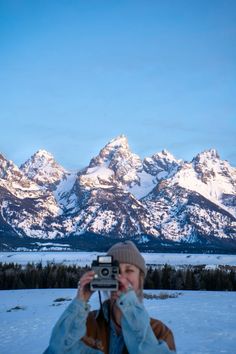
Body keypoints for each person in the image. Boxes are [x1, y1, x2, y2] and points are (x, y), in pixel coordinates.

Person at [44, 241, 176, 354]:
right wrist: (80, 301)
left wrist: (130, 307)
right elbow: (56, 350)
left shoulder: (159, 332)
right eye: (114, 270)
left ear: (141, 279)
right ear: (102, 275)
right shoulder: (84, 323)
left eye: (129, 270)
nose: (121, 277)